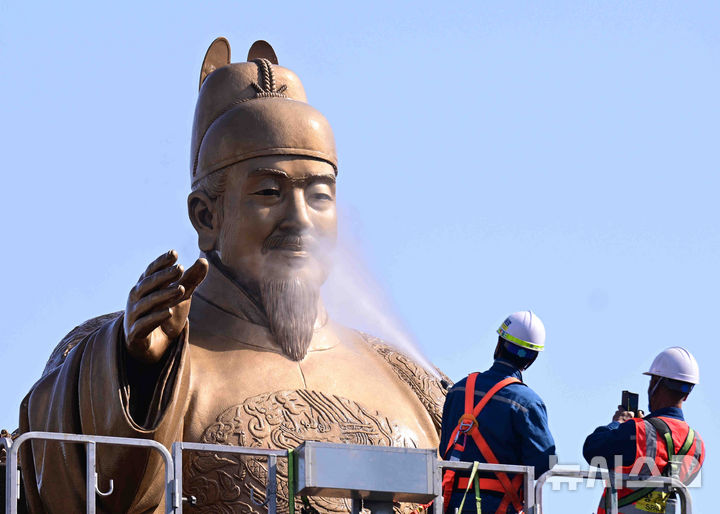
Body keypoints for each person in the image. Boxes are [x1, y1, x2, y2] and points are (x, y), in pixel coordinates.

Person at [18, 38, 448, 514]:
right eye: (269, 192)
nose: (300, 219)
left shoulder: (414, 382)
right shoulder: (128, 348)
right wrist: (138, 375)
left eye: (319, 196)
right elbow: (69, 485)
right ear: (206, 216)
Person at [439, 311, 556, 514]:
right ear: (533, 358)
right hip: (499, 505)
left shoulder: (458, 390)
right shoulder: (528, 402)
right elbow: (544, 462)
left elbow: (445, 449)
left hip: (452, 503)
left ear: (499, 343)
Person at [583, 347, 705, 514]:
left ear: (655, 382)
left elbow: (592, 449)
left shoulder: (638, 430)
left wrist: (618, 423)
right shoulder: (697, 445)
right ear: (687, 394)